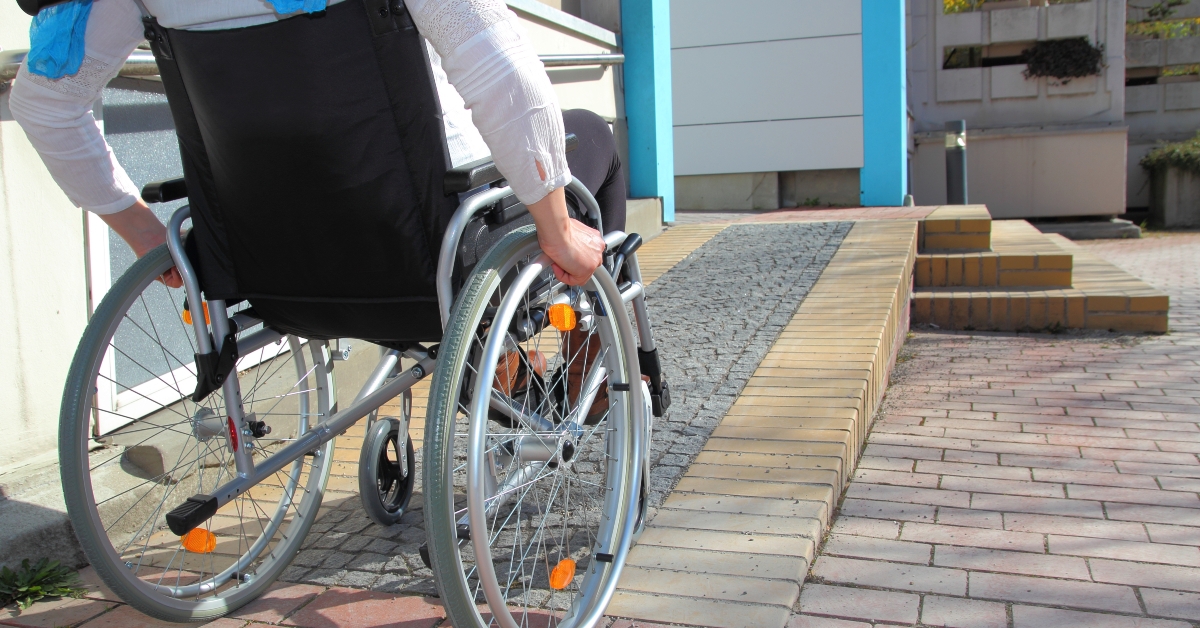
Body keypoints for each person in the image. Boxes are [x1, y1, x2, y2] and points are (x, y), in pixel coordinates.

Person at [9, 0, 626, 288]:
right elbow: (499, 69)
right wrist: (555, 229)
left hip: (264, 260)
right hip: (426, 241)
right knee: (594, 136)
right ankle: (592, 356)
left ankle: (507, 369)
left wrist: (146, 237)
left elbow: (44, 104)